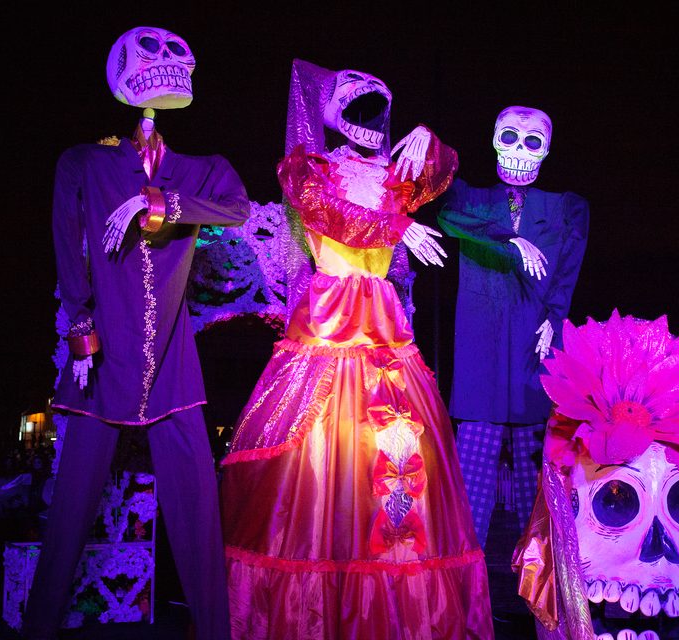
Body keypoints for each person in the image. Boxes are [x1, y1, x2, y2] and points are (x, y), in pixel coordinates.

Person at [220, 60, 493, 639]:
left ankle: (391, 598)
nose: (370, 115)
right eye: (357, 103)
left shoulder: (392, 176)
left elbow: (440, 173)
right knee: (322, 451)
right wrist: (397, 229)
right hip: (330, 316)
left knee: (393, 449)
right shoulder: (308, 167)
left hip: (384, 321)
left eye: (378, 106)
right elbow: (333, 217)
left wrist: (429, 142)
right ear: (330, 113)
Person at [22, 27, 248, 640]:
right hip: (103, 361)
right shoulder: (86, 162)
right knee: (69, 514)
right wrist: (80, 322)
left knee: (198, 515)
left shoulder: (197, 171)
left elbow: (237, 207)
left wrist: (161, 203)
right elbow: (66, 241)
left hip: (173, 366)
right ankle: (38, 628)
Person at [438, 106, 588, 548]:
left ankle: (542, 584)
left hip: (532, 349)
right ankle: (464, 585)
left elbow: (568, 271)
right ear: (494, 141)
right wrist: (512, 239)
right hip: (481, 353)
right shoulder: (469, 198)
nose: (520, 150)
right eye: (509, 137)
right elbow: (448, 217)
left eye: (533, 141)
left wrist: (554, 319)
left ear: (546, 151)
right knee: (471, 487)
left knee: (536, 485)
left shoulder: (565, 207)